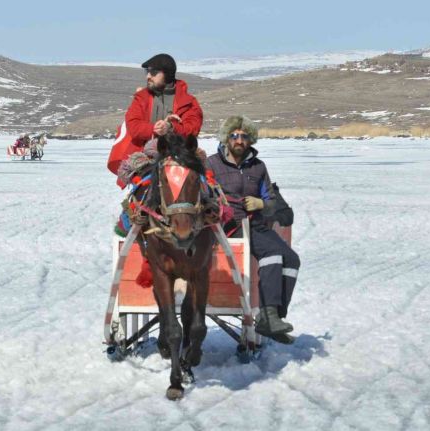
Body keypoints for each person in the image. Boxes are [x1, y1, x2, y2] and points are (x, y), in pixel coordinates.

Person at [206, 115, 300, 344]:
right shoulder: (211, 164)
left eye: (244, 136)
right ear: (226, 138)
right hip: (228, 225)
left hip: (254, 223)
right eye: (234, 135)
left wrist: (261, 204)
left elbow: (270, 201)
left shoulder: (258, 167)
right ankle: (268, 317)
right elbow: (203, 194)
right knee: (272, 254)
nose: (239, 140)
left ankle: (274, 318)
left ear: (251, 140)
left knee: (292, 259)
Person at [109, 53, 204, 187]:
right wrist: (154, 129)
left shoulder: (189, 101)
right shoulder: (140, 98)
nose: (148, 76)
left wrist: (171, 128)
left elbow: (193, 128)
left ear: (167, 74)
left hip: (180, 157)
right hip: (146, 159)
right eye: (147, 72)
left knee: (202, 190)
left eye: (153, 72)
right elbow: (133, 126)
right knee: (137, 202)